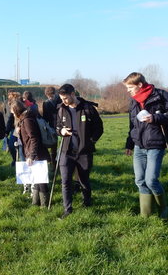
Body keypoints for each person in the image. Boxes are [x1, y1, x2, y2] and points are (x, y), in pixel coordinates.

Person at [123, 72, 168, 220]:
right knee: (140, 180)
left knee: (151, 180)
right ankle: (146, 214)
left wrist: (155, 118)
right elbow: (133, 124)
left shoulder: (161, 96)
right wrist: (129, 143)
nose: (128, 90)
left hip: (156, 144)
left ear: (140, 85)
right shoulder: (134, 101)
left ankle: (163, 209)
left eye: (130, 87)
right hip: (139, 146)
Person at [56, 84, 103, 219]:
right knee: (65, 181)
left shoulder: (88, 108)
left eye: (65, 98)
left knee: (84, 180)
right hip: (66, 151)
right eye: (61, 98)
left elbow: (99, 128)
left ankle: (87, 202)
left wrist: (91, 141)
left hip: (84, 152)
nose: (63, 101)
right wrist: (61, 131)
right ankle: (68, 209)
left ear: (72, 94)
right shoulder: (61, 110)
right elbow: (57, 127)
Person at [12, 99, 51, 207]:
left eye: (12, 111)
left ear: (16, 110)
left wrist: (31, 156)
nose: (12, 114)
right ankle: (35, 203)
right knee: (36, 179)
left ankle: (44, 205)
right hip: (33, 152)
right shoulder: (24, 120)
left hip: (37, 154)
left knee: (41, 180)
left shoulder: (27, 120)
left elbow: (34, 138)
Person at [42, 86, 62, 169]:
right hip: (57, 125)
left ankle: (55, 164)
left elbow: (45, 117)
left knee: (56, 145)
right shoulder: (59, 100)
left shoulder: (47, 103)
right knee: (58, 146)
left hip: (56, 125)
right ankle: (56, 164)